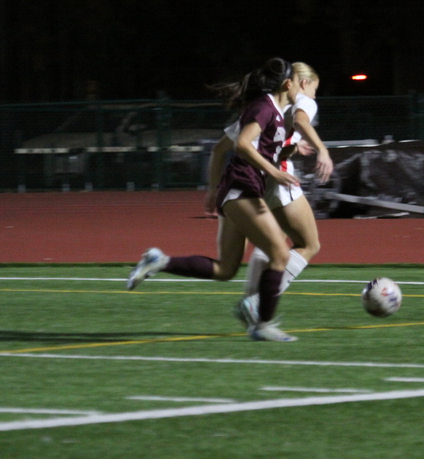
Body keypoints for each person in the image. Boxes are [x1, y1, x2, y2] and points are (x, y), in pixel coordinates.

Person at [127, 57, 302, 342]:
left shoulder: (276, 113)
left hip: (237, 189)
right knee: (280, 254)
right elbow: (243, 144)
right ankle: (263, 324)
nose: (300, 86)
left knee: (225, 269)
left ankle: (159, 262)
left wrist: (283, 156)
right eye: (297, 81)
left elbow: (241, 148)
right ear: (287, 83)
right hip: (241, 189)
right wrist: (273, 170)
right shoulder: (265, 107)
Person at [202, 63, 333, 326]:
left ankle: (252, 303)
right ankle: (257, 302)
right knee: (309, 245)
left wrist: (211, 190)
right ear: (302, 83)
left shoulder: (262, 107)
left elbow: (220, 149)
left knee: (272, 245)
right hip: (280, 180)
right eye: (315, 89)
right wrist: (322, 149)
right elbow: (300, 120)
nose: (315, 96)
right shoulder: (304, 102)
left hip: (258, 183)